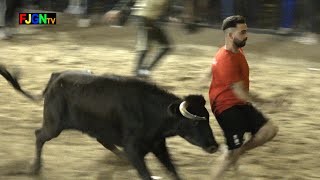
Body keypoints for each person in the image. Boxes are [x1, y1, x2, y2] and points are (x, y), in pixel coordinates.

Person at [208, 15, 278, 179]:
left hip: (238, 103)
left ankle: (237, 151)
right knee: (231, 155)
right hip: (226, 107)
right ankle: (231, 154)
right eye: (243, 32)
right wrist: (268, 102)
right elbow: (240, 92)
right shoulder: (227, 59)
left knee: (269, 130)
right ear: (231, 35)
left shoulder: (235, 50)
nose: (246, 35)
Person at [104, 0, 171, 78]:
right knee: (145, 46)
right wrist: (117, 9)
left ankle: (144, 71)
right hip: (144, 18)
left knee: (165, 46)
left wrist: (117, 9)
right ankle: (137, 74)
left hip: (148, 19)